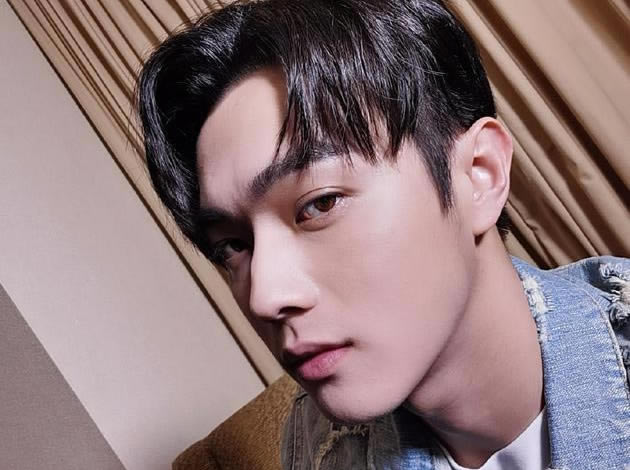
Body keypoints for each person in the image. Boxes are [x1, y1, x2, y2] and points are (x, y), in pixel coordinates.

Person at [135, 0, 630, 468]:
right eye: (233, 245)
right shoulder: (314, 448)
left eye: (320, 203)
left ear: (479, 174)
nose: (264, 297)